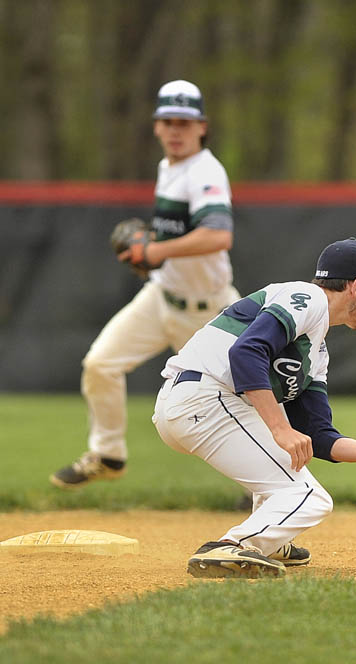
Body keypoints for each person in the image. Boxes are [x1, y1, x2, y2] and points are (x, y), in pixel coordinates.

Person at [152, 238, 356, 578]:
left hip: (204, 406)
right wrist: (279, 427)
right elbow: (246, 353)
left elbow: (320, 437)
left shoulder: (316, 351)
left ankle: (271, 541)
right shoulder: (307, 298)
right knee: (310, 498)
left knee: (291, 476)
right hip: (205, 399)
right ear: (355, 287)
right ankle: (232, 547)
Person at [51, 80, 241, 489]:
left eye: (185, 123)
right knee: (100, 365)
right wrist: (156, 255)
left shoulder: (205, 172)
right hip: (160, 298)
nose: (176, 130)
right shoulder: (168, 167)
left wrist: (154, 251)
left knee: (241, 399)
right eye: (168, 121)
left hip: (207, 310)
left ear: (202, 126)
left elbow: (218, 236)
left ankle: (263, 488)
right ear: (156, 126)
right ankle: (108, 455)